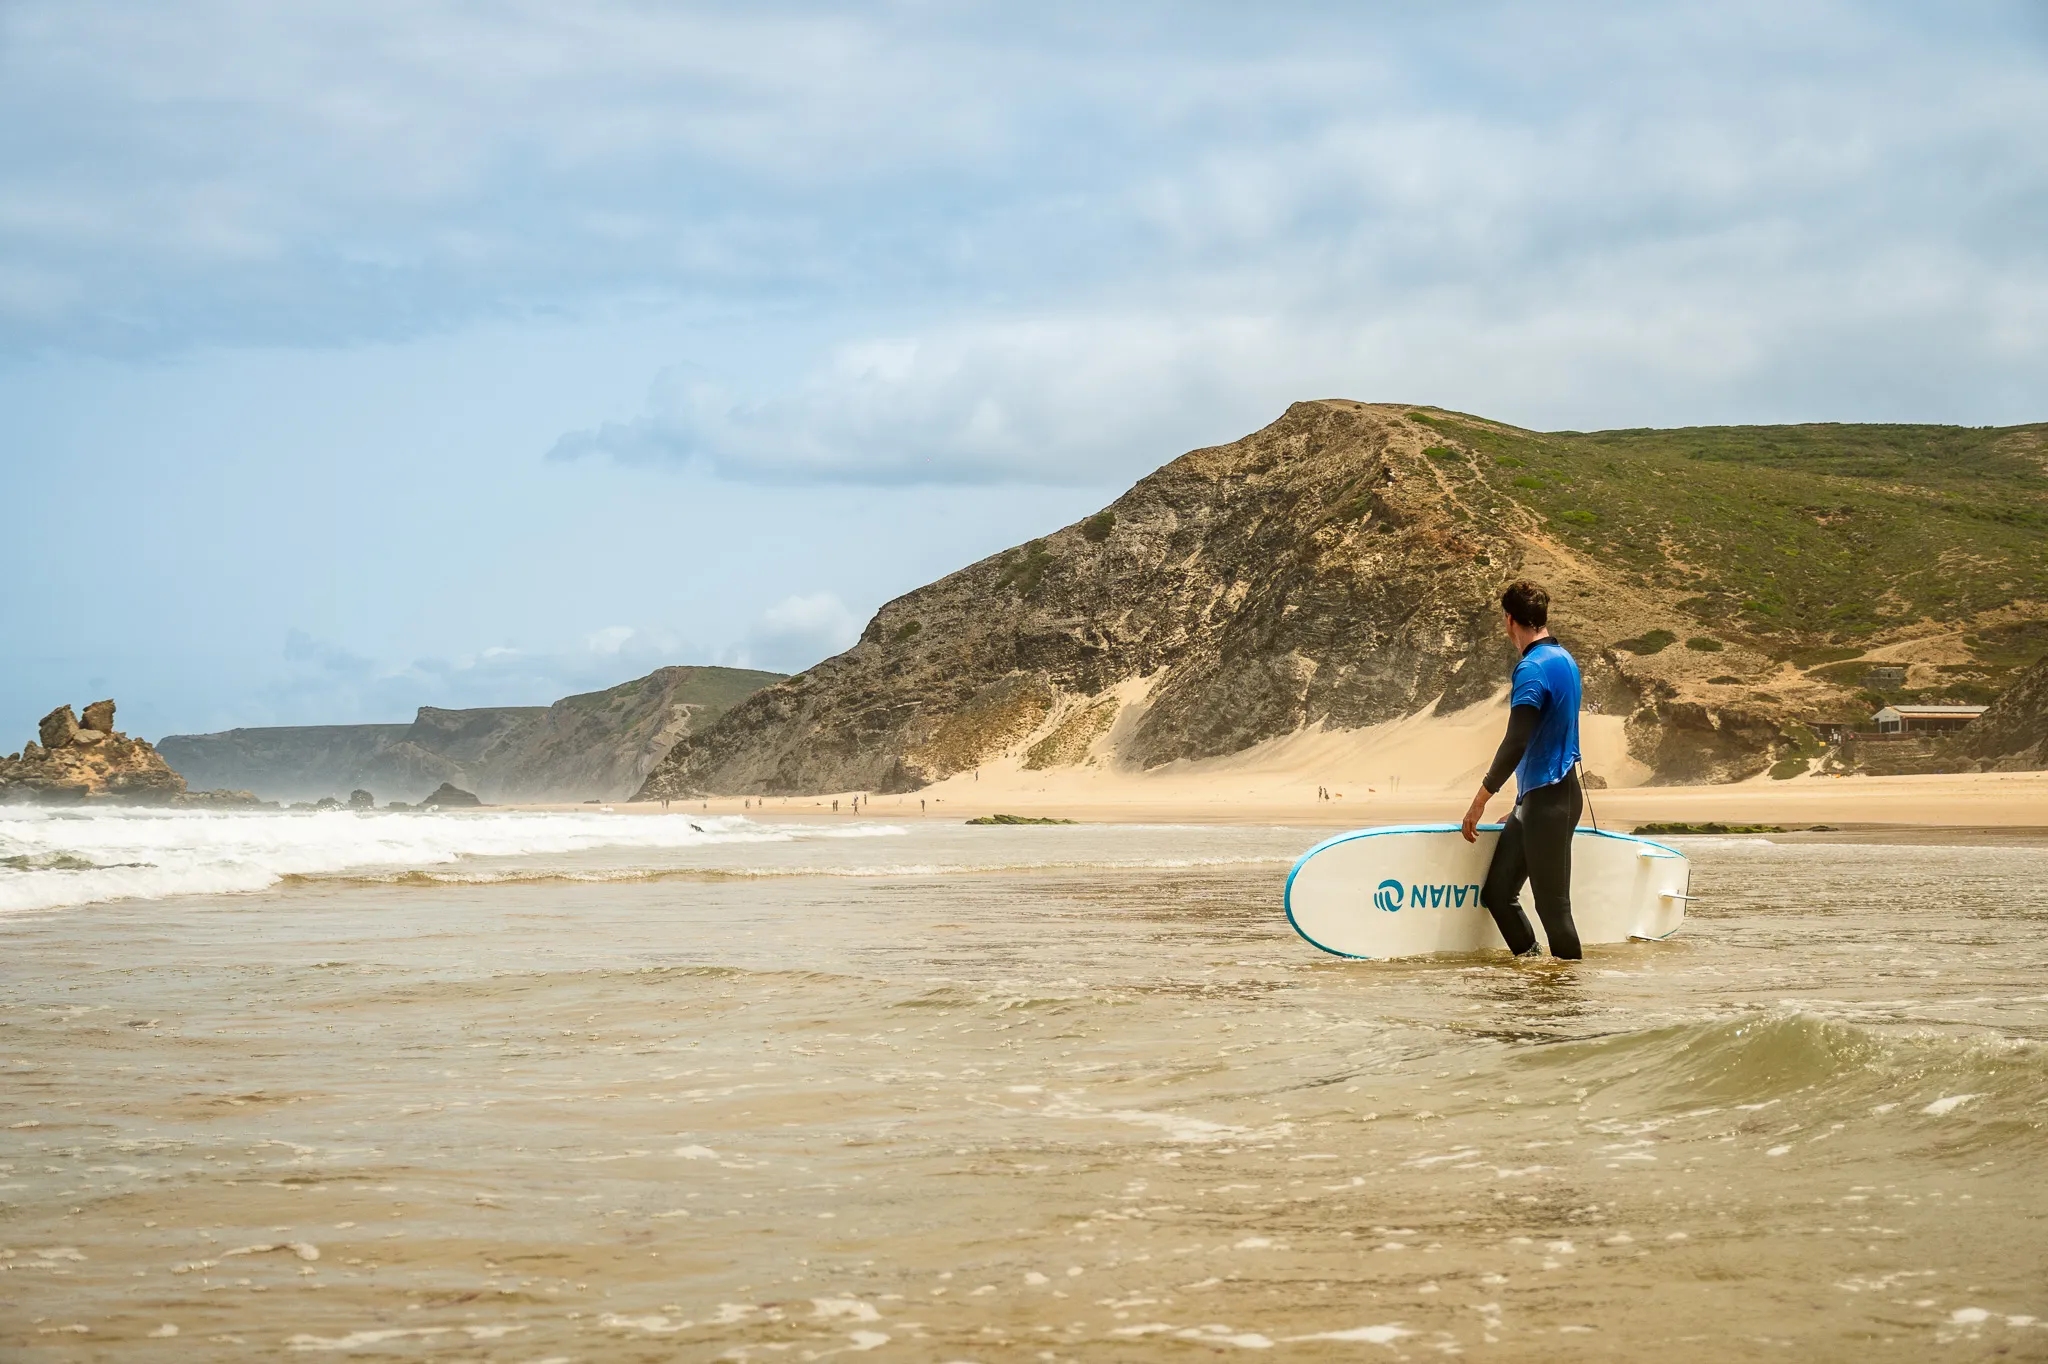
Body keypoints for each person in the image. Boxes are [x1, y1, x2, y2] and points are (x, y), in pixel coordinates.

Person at [1459, 580, 1585, 960]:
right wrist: (1520, 801)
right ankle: (1533, 972)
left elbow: (1516, 742)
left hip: (1551, 801)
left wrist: (1479, 800)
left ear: (1509, 620)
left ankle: (1568, 1002)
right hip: (1539, 799)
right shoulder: (1565, 659)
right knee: (1498, 893)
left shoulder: (1532, 669)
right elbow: (1547, 739)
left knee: (1554, 909)